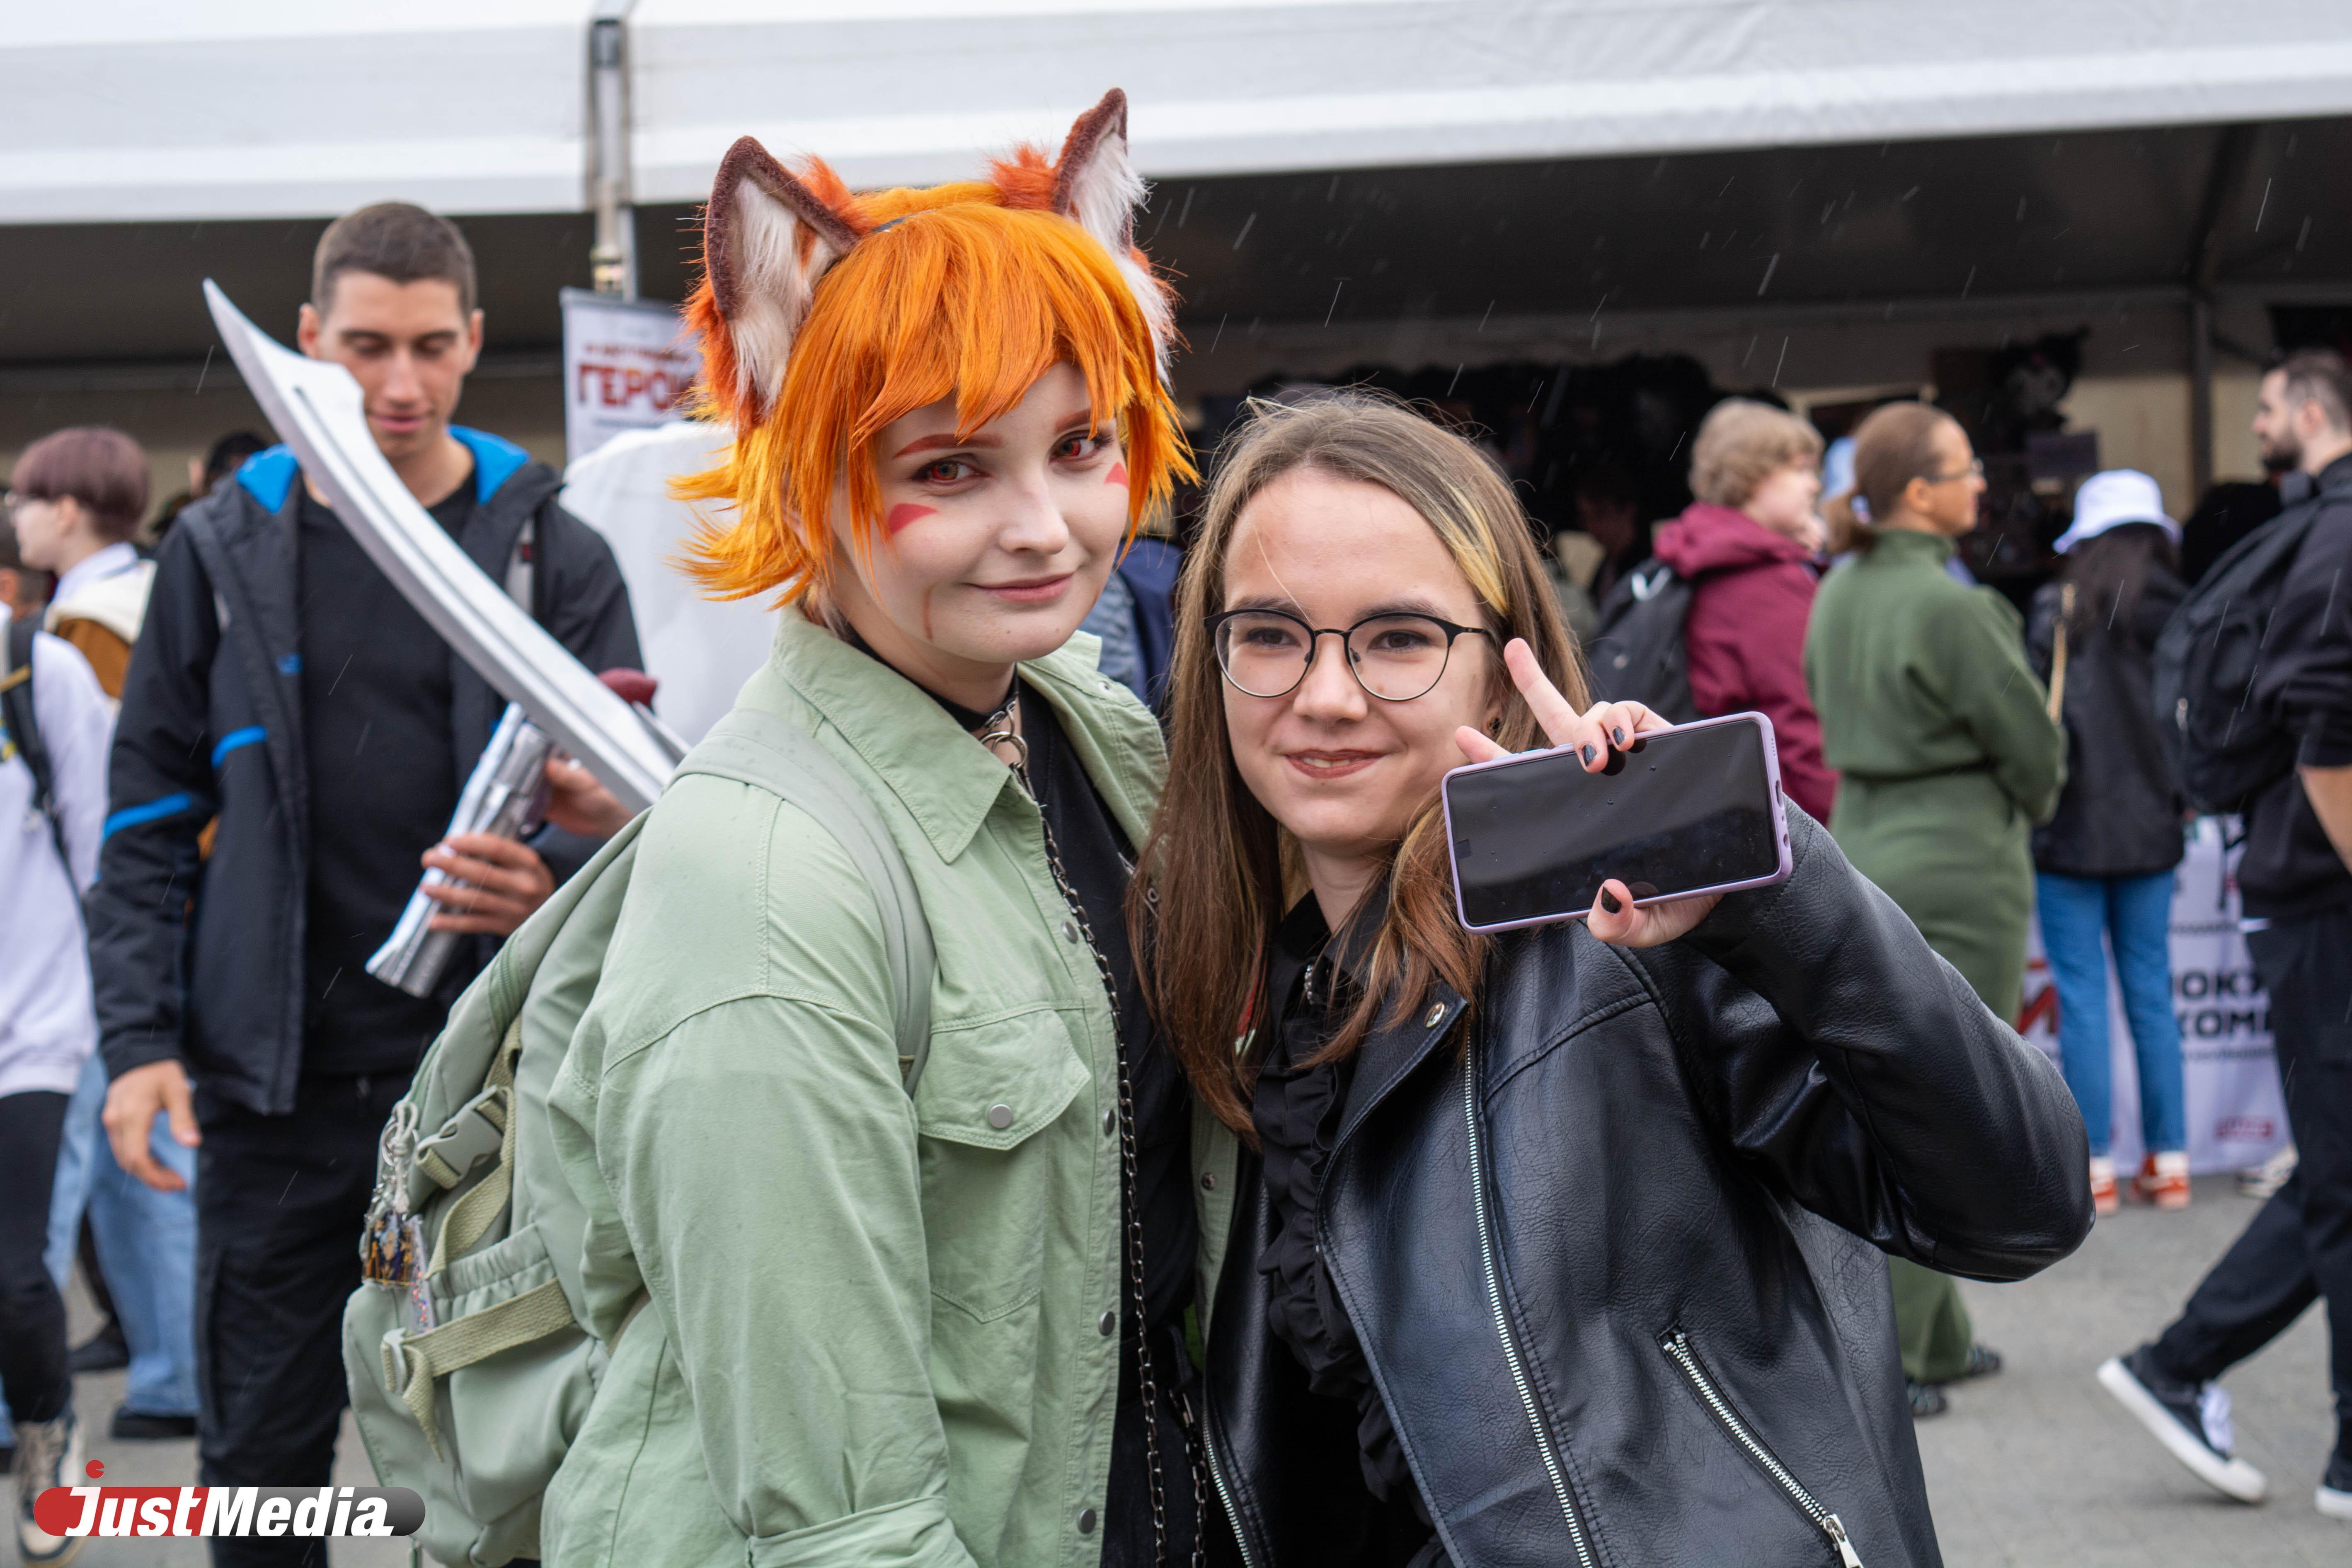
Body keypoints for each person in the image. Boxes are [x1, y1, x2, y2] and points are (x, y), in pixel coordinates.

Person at [1137, 389, 2088, 1568]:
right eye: (1272, 634)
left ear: (1496, 672)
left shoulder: (1631, 941)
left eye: (1396, 638)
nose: (1326, 695)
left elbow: (2019, 1200)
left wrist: (1763, 883)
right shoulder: (1237, 1002)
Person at [538, 92, 1234, 1567]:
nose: (1044, 523)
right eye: (948, 468)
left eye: (1080, 444)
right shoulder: (763, 875)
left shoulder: (1091, 729)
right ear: (803, 447)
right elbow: (838, 1515)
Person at [85, 200, 641, 1566]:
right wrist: (138, 1045)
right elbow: (149, 821)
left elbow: (644, 824)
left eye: (431, 347)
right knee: (263, 1465)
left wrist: (551, 872)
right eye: (368, 348)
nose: (399, 384)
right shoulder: (221, 553)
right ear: (309, 342)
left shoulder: (548, 546)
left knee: (519, 1457)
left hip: (495, 1106)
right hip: (271, 1093)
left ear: (472, 343)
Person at [2099, 348, 2352, 1523]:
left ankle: (2183, 1362)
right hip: (2319, 899)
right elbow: (2330, 718)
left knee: (2343, 1169)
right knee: (2344, 1172)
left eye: (2262, 407)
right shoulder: (2336, 533)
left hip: (2303, 893)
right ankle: (2189, 1363)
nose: (2257, 426)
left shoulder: (2319, 529)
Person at [1805, 401, 2067, 1416]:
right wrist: (2038, 792)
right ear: (1917, 491)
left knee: (1890, 1088)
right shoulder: (1956, 607)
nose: (1978, 488)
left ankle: (1939, 1335)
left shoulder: (1835, 592)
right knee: (1955, 1109)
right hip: (1960, 852)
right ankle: (1907, 1349)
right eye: (1962, 469)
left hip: (1865, 839)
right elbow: (2031, 750)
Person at [4, 434, 201, 1444]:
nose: (22, 515)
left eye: (32, 499)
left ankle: (159, 1376)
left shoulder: (75, 630)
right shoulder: (153, 593)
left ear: (72, 509)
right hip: (140, 927)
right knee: (145, 1166)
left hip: (85, 947)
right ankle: (173, 1369)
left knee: (96, 1181)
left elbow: (103, 814)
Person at [2026, 469, 2191, 1217]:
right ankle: (2172, 1160)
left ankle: (2093, 1166)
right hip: (2154, 826)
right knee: (2152, 991)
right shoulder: (2180, 612)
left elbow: (2031, 721)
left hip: (2067, 827)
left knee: (2084, 995)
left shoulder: (2053, 610)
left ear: (2082, 541)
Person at [1, 590, 113, 1565]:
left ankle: (47, 1432)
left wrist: (129, 1013)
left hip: (31, 1026)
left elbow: (100, 847)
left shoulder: (38, 671)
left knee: (12, 1272)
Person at [1651, 397, 1838, 822]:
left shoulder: (1701, 555)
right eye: (1799, 468)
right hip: (1789, 825)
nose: (1814, 485)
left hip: (1727, 809)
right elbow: (1804, 723)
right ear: (1750, 477)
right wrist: (1842, 843)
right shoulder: (1761, 583)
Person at [7, 426, 155, 698]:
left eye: (21, 503)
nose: (16, 519)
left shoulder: (91, 619)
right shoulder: (152, 581)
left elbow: (106, 737)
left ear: (64, 513)